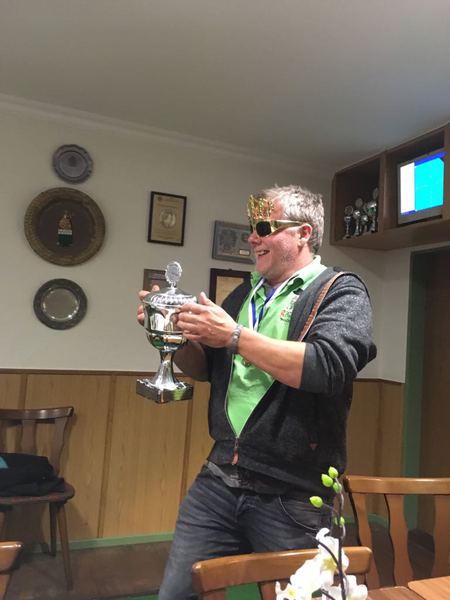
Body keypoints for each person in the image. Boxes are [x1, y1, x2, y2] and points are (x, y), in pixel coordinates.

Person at [137, 184, 377, 600]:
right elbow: (208, 369)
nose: (252, 237)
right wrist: (171, 337)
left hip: (294, 493)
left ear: (303, 233)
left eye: (264, 227)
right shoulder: (245, 293)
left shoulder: (340, 290)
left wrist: (233, 335)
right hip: (219, 480)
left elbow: (327, 367)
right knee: (176, 594)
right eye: (252, 227)